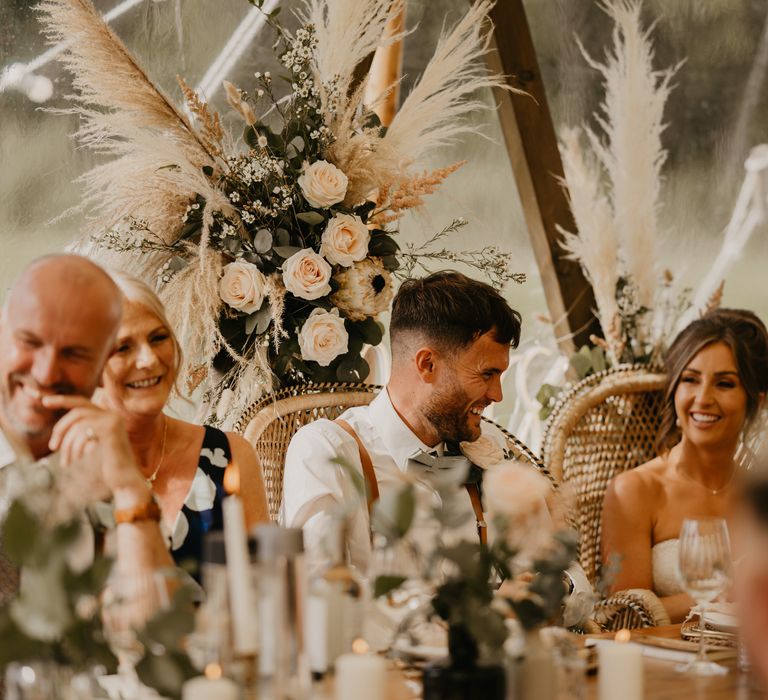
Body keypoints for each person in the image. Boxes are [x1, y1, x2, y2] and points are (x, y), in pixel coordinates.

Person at [280, 271, 592, 625]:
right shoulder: (328, 451)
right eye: (487, 374)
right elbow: (319, 604)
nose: (497, 395)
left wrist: (556, 588)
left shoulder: (489, 444)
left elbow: (577, 582)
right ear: (427, 364)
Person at [0, 255, 173, 600]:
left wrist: (129, 489)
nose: (47, 372)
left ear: (100, 370)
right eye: (30, 341)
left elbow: (154, 628)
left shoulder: (101, 471)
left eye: (75, 353)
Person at [601, 309, 768, 622]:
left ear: (757, 401)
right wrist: (727, 592)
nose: (703, 398)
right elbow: (624, 616)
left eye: (725, 384)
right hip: (665, 664)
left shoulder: (759, 493)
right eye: (690, 380)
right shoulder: (635, 490)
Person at [97, 272, 269, 573]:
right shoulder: (67, 477)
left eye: (158, 337)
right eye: (123, 347)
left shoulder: (232, 457)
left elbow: (270, 590)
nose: (149, 359)